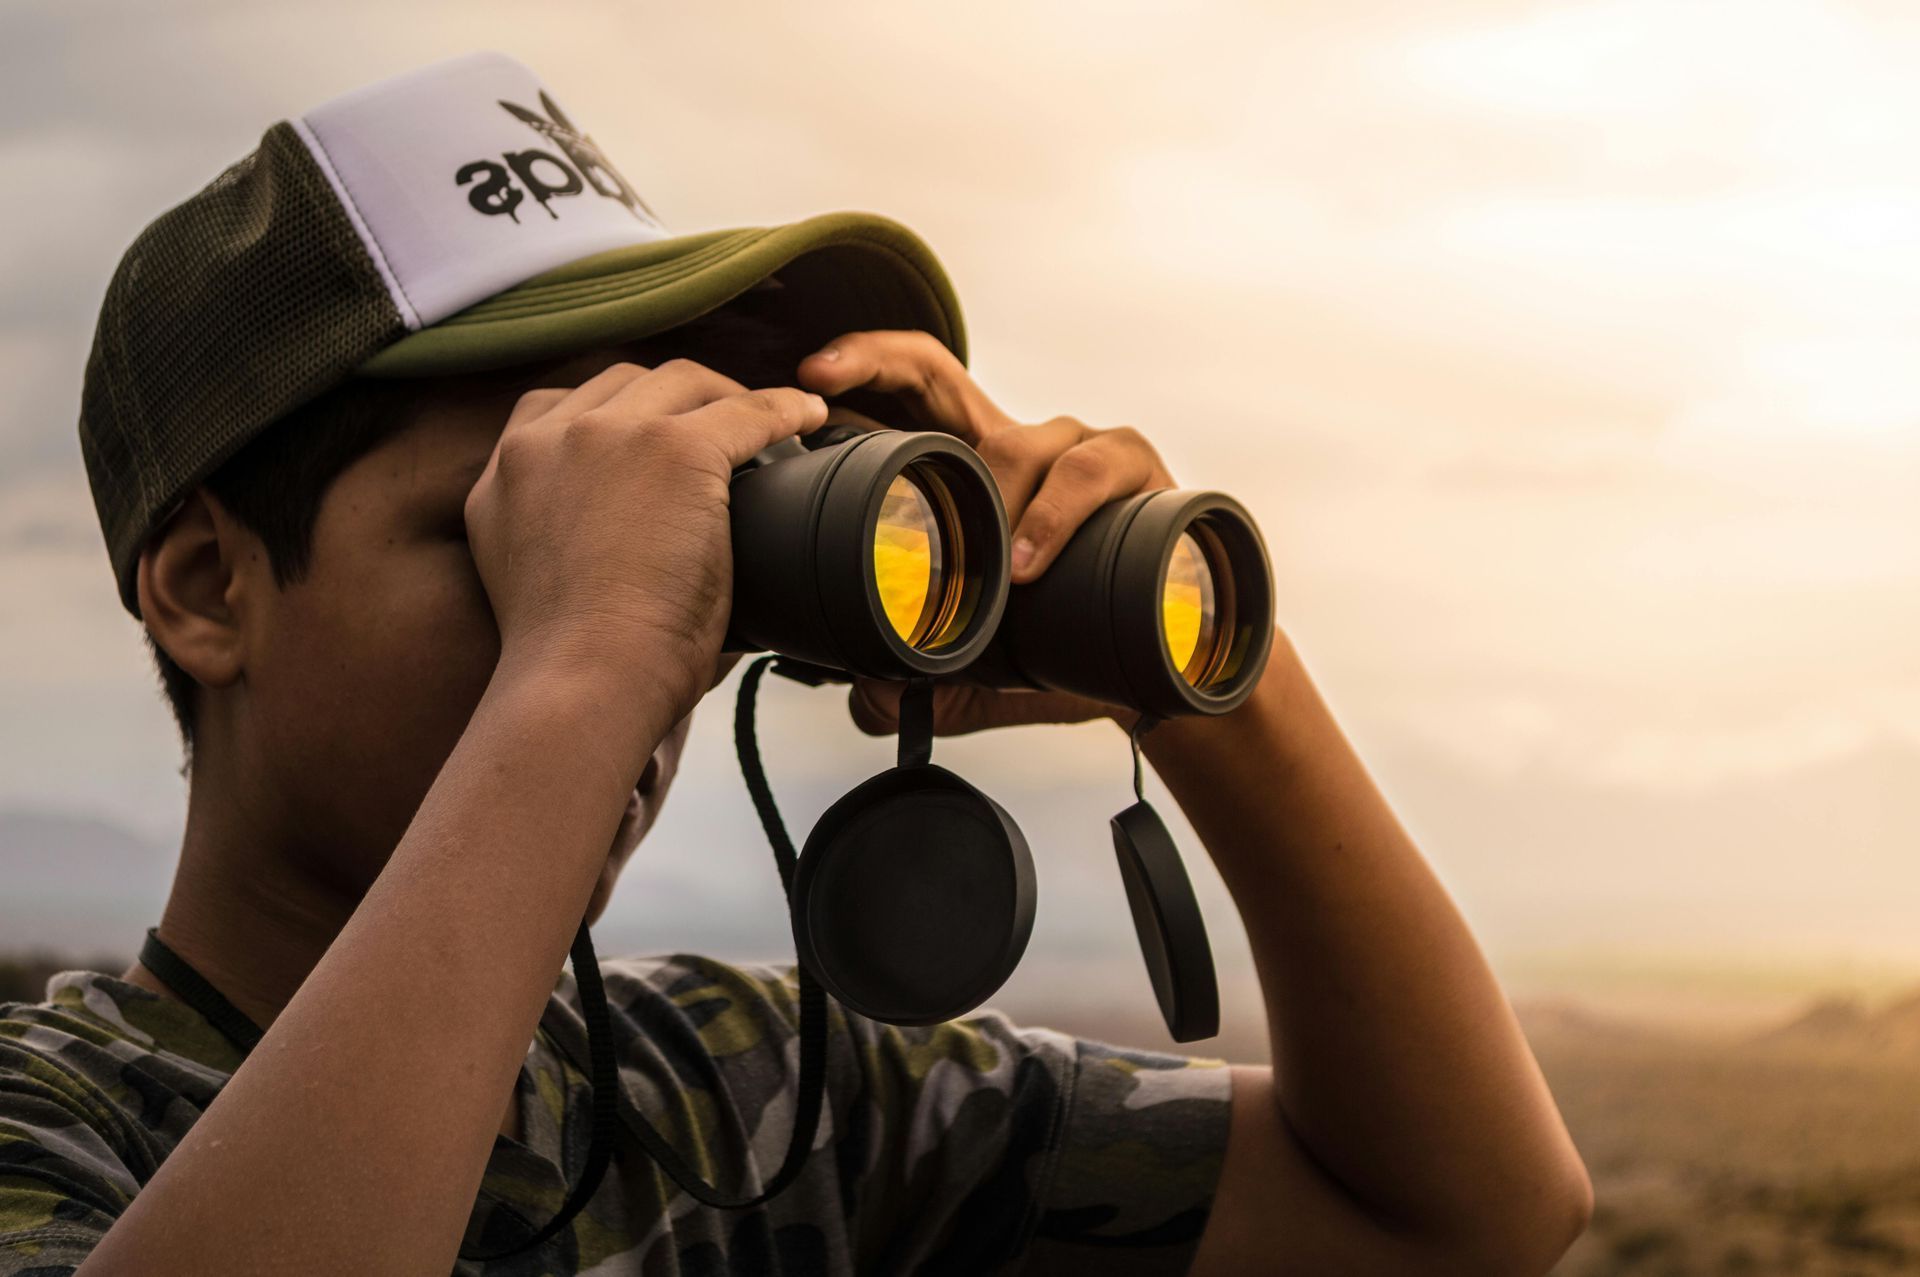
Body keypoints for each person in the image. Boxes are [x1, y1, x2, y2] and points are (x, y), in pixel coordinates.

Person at [0, 52, 1591, 1276]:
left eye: (686, 515)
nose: (662, 614)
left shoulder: (745, 1102)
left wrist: (1185, 657)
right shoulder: (55, 1133)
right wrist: (588, 659)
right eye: (522, 512)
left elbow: (1460, 1213)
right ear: (209, 585)